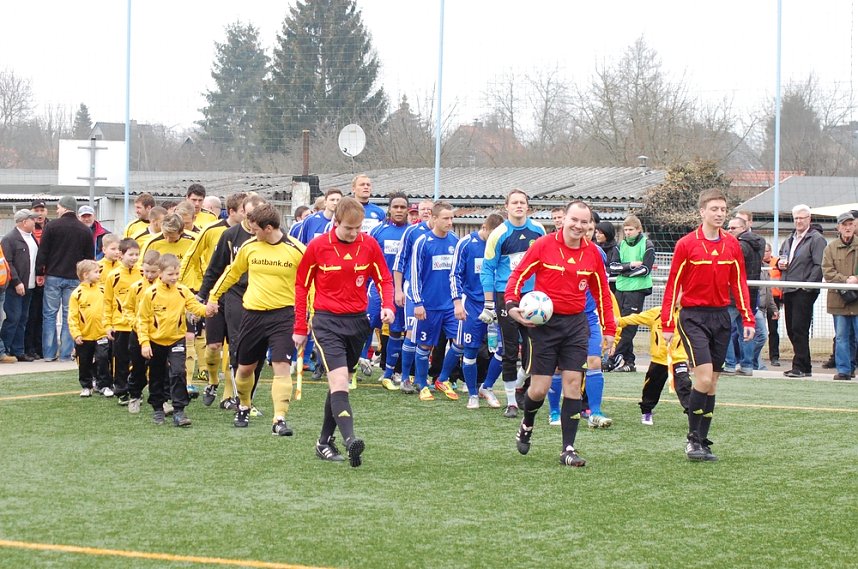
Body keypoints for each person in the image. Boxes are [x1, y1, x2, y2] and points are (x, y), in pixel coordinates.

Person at [505, 200, 615, 468]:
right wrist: (511, 304)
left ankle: (568, 448)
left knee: (573, 384)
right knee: (540, 388)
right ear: (563, 220)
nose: (578, 226)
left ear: (590, 225)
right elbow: (518, 276)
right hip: (546, 326)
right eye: (574, 220)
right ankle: (527, 422)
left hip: (576, 326)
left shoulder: (593, 254)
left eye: (584, 222)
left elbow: (602, 294)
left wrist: (609, 329)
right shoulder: (543, 245)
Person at [293, 197, 395, 468]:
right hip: (326, 323)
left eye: (358, 228)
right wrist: (300, 327)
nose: (354, 233)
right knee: (340, 383)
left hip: (358, 323)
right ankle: (351, 441)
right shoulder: (317, 247)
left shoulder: (369, 244)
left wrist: (387, 305)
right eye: (349, 228)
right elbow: (302, 286)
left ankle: (324, 441)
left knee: (337, 384)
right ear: (335, 222)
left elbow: (384, 278)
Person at [661, 189, 755, 461]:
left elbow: (739, 284)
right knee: (702, 377)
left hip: (721, 318)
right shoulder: (686, 244)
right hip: (693, 317)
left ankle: (703, 439)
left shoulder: (732, 245)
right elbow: (672, 286)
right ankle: (692, 440)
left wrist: (747, 317)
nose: (719, 214)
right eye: (713, 209)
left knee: (712, 383)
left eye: (723, 209)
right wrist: (667, 323)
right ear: (702, 212)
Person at [207, 203, 305, 435]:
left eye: (255, 230)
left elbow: (309, 284)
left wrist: (306, 316)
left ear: (268, 228)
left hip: (283, 315)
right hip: (252, 315)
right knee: (244, 370)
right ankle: (244, 405)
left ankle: (279, 419)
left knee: (282, 366)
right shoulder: (250, 247)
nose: (251, 233)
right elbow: (231, 273)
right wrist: (213, 297)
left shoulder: (297, 250)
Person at [479, 189, 546, 418]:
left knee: (534, 352)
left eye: (522, 202)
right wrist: (489, 303)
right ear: (506, 206)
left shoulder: (538, 230)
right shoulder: (499, 234)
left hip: (533, 299)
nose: (519, 206)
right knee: (509, 350)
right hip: (505, 296)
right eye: (514, 202)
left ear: (528, 207)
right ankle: (511, 403)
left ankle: (519, 384)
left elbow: (544, 264)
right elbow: (488, 268)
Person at [198, 194, 268, 410]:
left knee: (253, 349)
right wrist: (203, 296)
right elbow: (215, 268)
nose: (252, 221)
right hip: (231, 294)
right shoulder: (230, 235)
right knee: (220, 346)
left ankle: (242, 398)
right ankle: (213, 382)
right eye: (249, 215)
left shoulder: (271, 237)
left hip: (261, 297)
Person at [180, 192, 247, 404]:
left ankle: (229, 395)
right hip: (215, 295)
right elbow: (191, 256)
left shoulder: (253, 234)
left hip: (241, 295)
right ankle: (212, 381)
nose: (249, 217)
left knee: (234, 346)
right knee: (213, 347)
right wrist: (181, 287)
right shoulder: (212, 230)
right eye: (245, 212)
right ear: (233, 212)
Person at [137, 253, 207, 427]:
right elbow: (142, 319)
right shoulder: (150, 293)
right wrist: (144, 342)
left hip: (176, 340)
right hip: (155, 341)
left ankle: (179, 410)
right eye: (170, 274)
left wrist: (208, 310)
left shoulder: (183, 291)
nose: (174, 277)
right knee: (157, 375)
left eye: (177, 274)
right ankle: (158, 408)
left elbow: (195, 307)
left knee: (178, 373)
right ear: (160, 273)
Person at [450, 212, 505, 408]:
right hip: (472, 304)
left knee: (504, 349)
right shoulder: (466, 243)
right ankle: (472, 393)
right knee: (470, 349)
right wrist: (457, 302)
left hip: (498, 303)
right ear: (485, 227)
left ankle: (487, 387)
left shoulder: (502, 243)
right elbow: (454, 274)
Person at [409, 202, 461, 401]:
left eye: (451, 218)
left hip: (450, 305)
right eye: (446, 218)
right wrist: (418, 302)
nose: (449, 222)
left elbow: (456, 273)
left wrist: (458, 300)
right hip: (428, 305)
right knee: (424, 346)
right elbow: (414, 274)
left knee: (459, 342)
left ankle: (443, 379)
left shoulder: (455, 241)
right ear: (434, 218)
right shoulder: (423, 241)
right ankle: (422, 384)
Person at [35, 195, 95, 362]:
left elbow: (43, 252)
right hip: (75, 278)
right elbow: (89, 257)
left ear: (63, 207)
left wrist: (40, 272)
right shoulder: (84, 230)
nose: (58, 210)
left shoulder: (51, 226)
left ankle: (48, 353)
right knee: (70, 315)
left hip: (53, 276)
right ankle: (66, 354)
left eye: (59, 207)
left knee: (49, 314)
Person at [617, 302, 692, 425]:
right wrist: (619, 321)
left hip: (679, 359)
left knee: (684, 385)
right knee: (651, 388)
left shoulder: (688, 314)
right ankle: (646, 412)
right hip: (659, 359)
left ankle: (693, 415)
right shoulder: (656, 312)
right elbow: (637, 318)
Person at [777, 204, 826, 378]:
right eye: (796, 218)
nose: (798, 221)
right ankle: (804, 365)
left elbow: (819, 264)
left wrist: (808, 286)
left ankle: (800, 366)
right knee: (791, 328)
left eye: (802, 218)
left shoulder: (816, 239)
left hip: (803, 290)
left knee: (799, 328)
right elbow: (782, 259)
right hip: (789, 288)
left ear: (809, 219)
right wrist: (779, 264)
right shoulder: (790, 239)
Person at [370, 192, 410, 390]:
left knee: (398, 330)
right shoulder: (378, 231)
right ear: (390, 209)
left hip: (403, 290)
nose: (399, 210)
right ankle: (355, 366)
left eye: (403, 207)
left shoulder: (413, 233)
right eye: (396, 207)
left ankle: (391, 373)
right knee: (367, 324)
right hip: (378, 288)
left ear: (408, 209)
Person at [607, 215, 655, 372]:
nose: (627, 233)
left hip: (637, 290)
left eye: (630, 230)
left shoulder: (647, 244)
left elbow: (645, 269)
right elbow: (612, 267)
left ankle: (613, 357)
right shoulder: (620, 246)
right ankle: (628, 361)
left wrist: (624, 270)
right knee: (618, 323)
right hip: (621, 288)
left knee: (629, 325)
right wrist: (630, 265)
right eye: (625, 230)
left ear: (638, 230)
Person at [723, 216, 763, 376]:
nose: (729, 231)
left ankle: (730, 364)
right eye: (729, 228)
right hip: (749, 295)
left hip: (734, 295)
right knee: (746, 331)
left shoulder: (738, 246)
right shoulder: (758, 243)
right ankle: (747, 365)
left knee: (723, 329)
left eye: (733, 228)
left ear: (743, 228)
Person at [103, 238, 141, 404]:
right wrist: (107, 324)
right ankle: (121, 390)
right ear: (121, 255)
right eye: (130, 254)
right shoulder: (113, 276)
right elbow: (107, 301)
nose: (134, 258)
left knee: (139, 360)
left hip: (139, 326)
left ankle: (136, 390)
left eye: (137, 254)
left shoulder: (142, 273)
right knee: (121, 359)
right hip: (120, 324)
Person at [821, 211, 858, 381]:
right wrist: (846, 280)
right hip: (839, 300)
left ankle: (852, 367)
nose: (848, 227)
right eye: (844, 224)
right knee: (842, 337)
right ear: (838, 227)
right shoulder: (830, 248)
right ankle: (844, 370)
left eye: (850, 224)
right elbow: (828, 272)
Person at [123, 249, 161, 414]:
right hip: (138, 334)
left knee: (159, 369)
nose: (149, 275)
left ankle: (160, 399)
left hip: (158, 335)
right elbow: (127, 308)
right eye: (146, 271)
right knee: (137, 368)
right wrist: (135, 323)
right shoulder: (136, 287)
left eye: (153, 272)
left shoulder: (166, 288)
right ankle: (135, 396)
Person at [68, 260, 111, 397]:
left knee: (103, 358)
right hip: (84, 335)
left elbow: (110, 308)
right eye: (96, 272)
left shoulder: (103, 289)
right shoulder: (77, 293)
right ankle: (86, 385)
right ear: (85, 275)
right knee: (84, 361)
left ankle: (104, 384)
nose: (99, 274)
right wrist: (76, 334)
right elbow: (72, 316)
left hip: (101, 333)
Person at [1, 209, 40, 362]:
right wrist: (16, 281)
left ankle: (19, 350)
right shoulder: (10, 239)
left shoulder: (31, 238)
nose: (35, 222)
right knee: (13, 318)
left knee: (23, 318)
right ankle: (5, 349)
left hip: (30, 286)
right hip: (14, 287)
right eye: (32, 219)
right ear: (24, 221)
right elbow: (8, 262)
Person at [25, 200, 49, 360]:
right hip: (32, 278)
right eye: (36, 210)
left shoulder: (52, 227)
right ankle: (30, 347)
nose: (39, 213)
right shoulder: (28, 231)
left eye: (42, 210)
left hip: (48, 277)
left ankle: (42, 347)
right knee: (31, 315)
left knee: (44, 315)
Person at [763, 243, 783, 366]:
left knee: (773, 330)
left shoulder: (777, 263)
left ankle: (774, 357)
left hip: (773, 300)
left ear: (770, 251)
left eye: (766, 251)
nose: (764, 253)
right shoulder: (757, 263)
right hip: (760, 298)